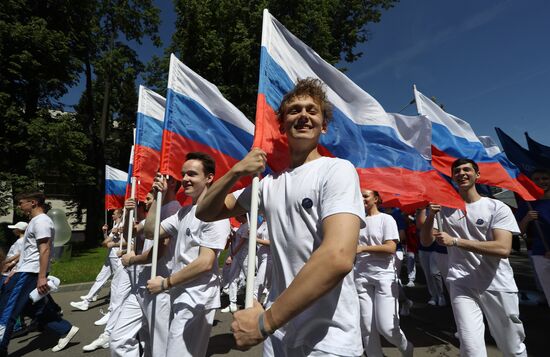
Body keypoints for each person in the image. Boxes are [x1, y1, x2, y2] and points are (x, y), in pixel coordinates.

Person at [196, 78, 365, 356]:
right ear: (283, 124)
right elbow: (206, 211)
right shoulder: (269, 184)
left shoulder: (337, 170)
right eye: (294, 110)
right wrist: (236, 171)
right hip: (280, 336)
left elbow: (338, 256)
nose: (303, 115)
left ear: (323, 126)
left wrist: (265, 322)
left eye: (312, 110)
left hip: (328, 340)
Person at [421, 158, 527, 356]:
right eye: (457, 171)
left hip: (497, 284)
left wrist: (456, 241)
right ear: (452, 177)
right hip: (461, 283)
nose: (461, 173)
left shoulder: (497, 207)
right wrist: (430, 216)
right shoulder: (444, 209)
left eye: (466, 169)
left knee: (512, 348)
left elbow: (503, 248)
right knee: (470, 348)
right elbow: (426, 241)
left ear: (477, 175)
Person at [144, 152, 230, 357]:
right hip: (180, 294)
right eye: (183, 174)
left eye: (192, 174)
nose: (185, 179)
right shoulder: (183, 213)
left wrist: (165, 283)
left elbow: (205, 263)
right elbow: (150, 231)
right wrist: (159, 197)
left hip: (197, 298)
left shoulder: (215, 214)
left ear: (209, 178)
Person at [0, 192, 79, 356]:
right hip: (24, 271)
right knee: (31, 308)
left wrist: (42, 277)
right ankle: (65, 328)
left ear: (33, 203)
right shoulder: (35, 221)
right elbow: (30, 252)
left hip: (29, 273)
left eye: (22, 203)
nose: (19, 206)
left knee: (7, 311)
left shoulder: (42, 221)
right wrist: (13, 271)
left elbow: (45, 250)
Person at [355, 190, 413, 356]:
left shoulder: (386, 219)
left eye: (365, 196)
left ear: (376, 199)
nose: (362, 199)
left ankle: (406, 347)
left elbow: (390, 247)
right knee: (366, 326)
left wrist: (363, 248)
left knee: (387, 327)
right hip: (360, 276)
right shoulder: (355, 222)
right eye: (359, 196)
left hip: (383, 277)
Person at [70, 209, 124, 313]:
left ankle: (116, 308)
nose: (112, 215)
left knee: (118, 282)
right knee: (101, 278)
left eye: (114, 213)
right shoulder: (115, 225)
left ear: (119, 215)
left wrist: (106, 242)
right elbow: (108, 240)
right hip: (110, 255)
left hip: (116, 256)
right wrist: (104, 233)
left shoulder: (122, 225)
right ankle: (87, 300)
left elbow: (110, 242)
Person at [517, 168, 550, 306]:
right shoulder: (528, 204)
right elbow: (518, 231)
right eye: (536, 179)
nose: (541, 182)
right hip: (540, 254)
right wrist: (526, 219)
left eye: (545, 178)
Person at [221, 214, 249, 313]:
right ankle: (232, 303)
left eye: (237, 215)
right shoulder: (242, 225)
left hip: (245, 256)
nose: (235, 218)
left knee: (250, 279)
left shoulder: (247, 226)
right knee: (232, 277)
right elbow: (237, 241)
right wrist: (233, 236)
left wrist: (231, 256)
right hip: (237, 255)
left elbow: (241, 243)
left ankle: (251, 301)